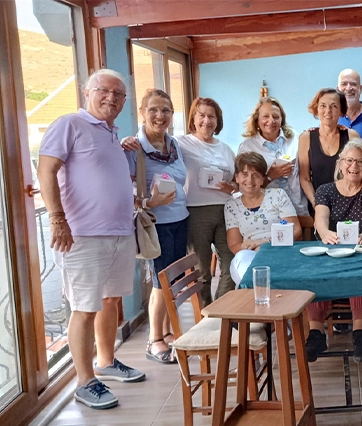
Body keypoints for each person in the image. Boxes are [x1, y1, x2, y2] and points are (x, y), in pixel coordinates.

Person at [38, 69, 144, 410]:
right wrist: (57, 218)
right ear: (87, 92)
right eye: (104, 91)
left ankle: (107, 361)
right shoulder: (69, 124)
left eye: (119, 94)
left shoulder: (112, 134)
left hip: (119, 232)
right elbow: (46, 170)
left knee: (112, 301)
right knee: (84, 309)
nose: (111, 98)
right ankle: (84, 381)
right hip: (82, 235)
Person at [123, 89, 189, 366]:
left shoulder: (173, 145)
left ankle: (166, 332)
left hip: (179, 219)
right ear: (142, 112)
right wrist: (151, 200)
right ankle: (154, 340)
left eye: (165, 110)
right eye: (153, 110)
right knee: (161, 282)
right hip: (155, 223)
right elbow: (123, 192)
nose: (159, 116)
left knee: (172, 279)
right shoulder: (133, 148)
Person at [308, 141, 362, 363]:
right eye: (349, 160)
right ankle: (316, 334)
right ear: (341, 164)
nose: (354, 166)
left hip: (358, 248)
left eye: (360, 161)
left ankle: (360, 334)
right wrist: (324, 232)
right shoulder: (326, 189)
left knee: (359, 272)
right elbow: (320, 217)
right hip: (329, 247)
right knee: (317, 273)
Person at [177, 97, 238, 305]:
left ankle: (221, 312)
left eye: (211, 116)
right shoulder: (181, 143)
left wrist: (233, 188)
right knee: (201, 270)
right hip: (196, 211)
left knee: (232, 263)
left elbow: (237, 181)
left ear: (218, 121)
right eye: (201, 115)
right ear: (193, 118)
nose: (206, 120)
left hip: (226, 210)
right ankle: (204, 316)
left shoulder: (226, 149)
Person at [298, 88, 362, 215]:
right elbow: (304, 178)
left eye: (334, 106)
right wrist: (317, 204)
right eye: (323, 106)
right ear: (316, 108)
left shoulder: (351, 135)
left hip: (349, 204)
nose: (328, 111)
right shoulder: (306, 138)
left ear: (341, 110)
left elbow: (361, 168)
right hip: (317, 205)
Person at [225, 152, 302, 284]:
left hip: (280, 250)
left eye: (256, 175)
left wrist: (262, 244)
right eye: (244, 174)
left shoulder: (278, 195)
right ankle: (259, 293)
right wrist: (255, 249)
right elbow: (234, 245)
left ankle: (260, 296)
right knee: (243, 260)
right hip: (249, 254)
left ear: (262, 179)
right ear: (236, 178)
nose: (249, 180)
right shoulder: (231, 206)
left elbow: (295, 232)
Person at [238, 97, 308, 219]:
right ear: (257, 120)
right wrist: (270, 176)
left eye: (276, 116)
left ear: (282, 119)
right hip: (267, 214)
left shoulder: (296, 139)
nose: (271, 121)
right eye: (265, 116)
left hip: (299, 209)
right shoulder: (248, 147)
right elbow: (243, 187)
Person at [337, 69, 362, 137]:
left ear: (360, 89)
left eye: (353, 84)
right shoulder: (332, 116)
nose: (348, 88)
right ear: (338, 89)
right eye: (344, 84)